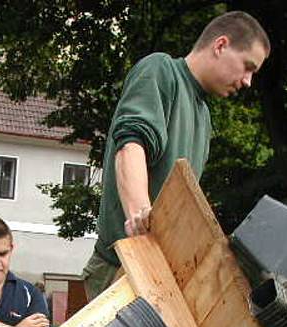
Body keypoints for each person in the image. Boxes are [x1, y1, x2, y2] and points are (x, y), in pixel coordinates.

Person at [82, 11, 270, 299]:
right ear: (220, 45)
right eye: (247, 66)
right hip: (121, 271)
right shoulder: (161, 71)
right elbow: (130, 144)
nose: (248, 81)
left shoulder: (203, 116)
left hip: (161, 280)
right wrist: (139, 217)